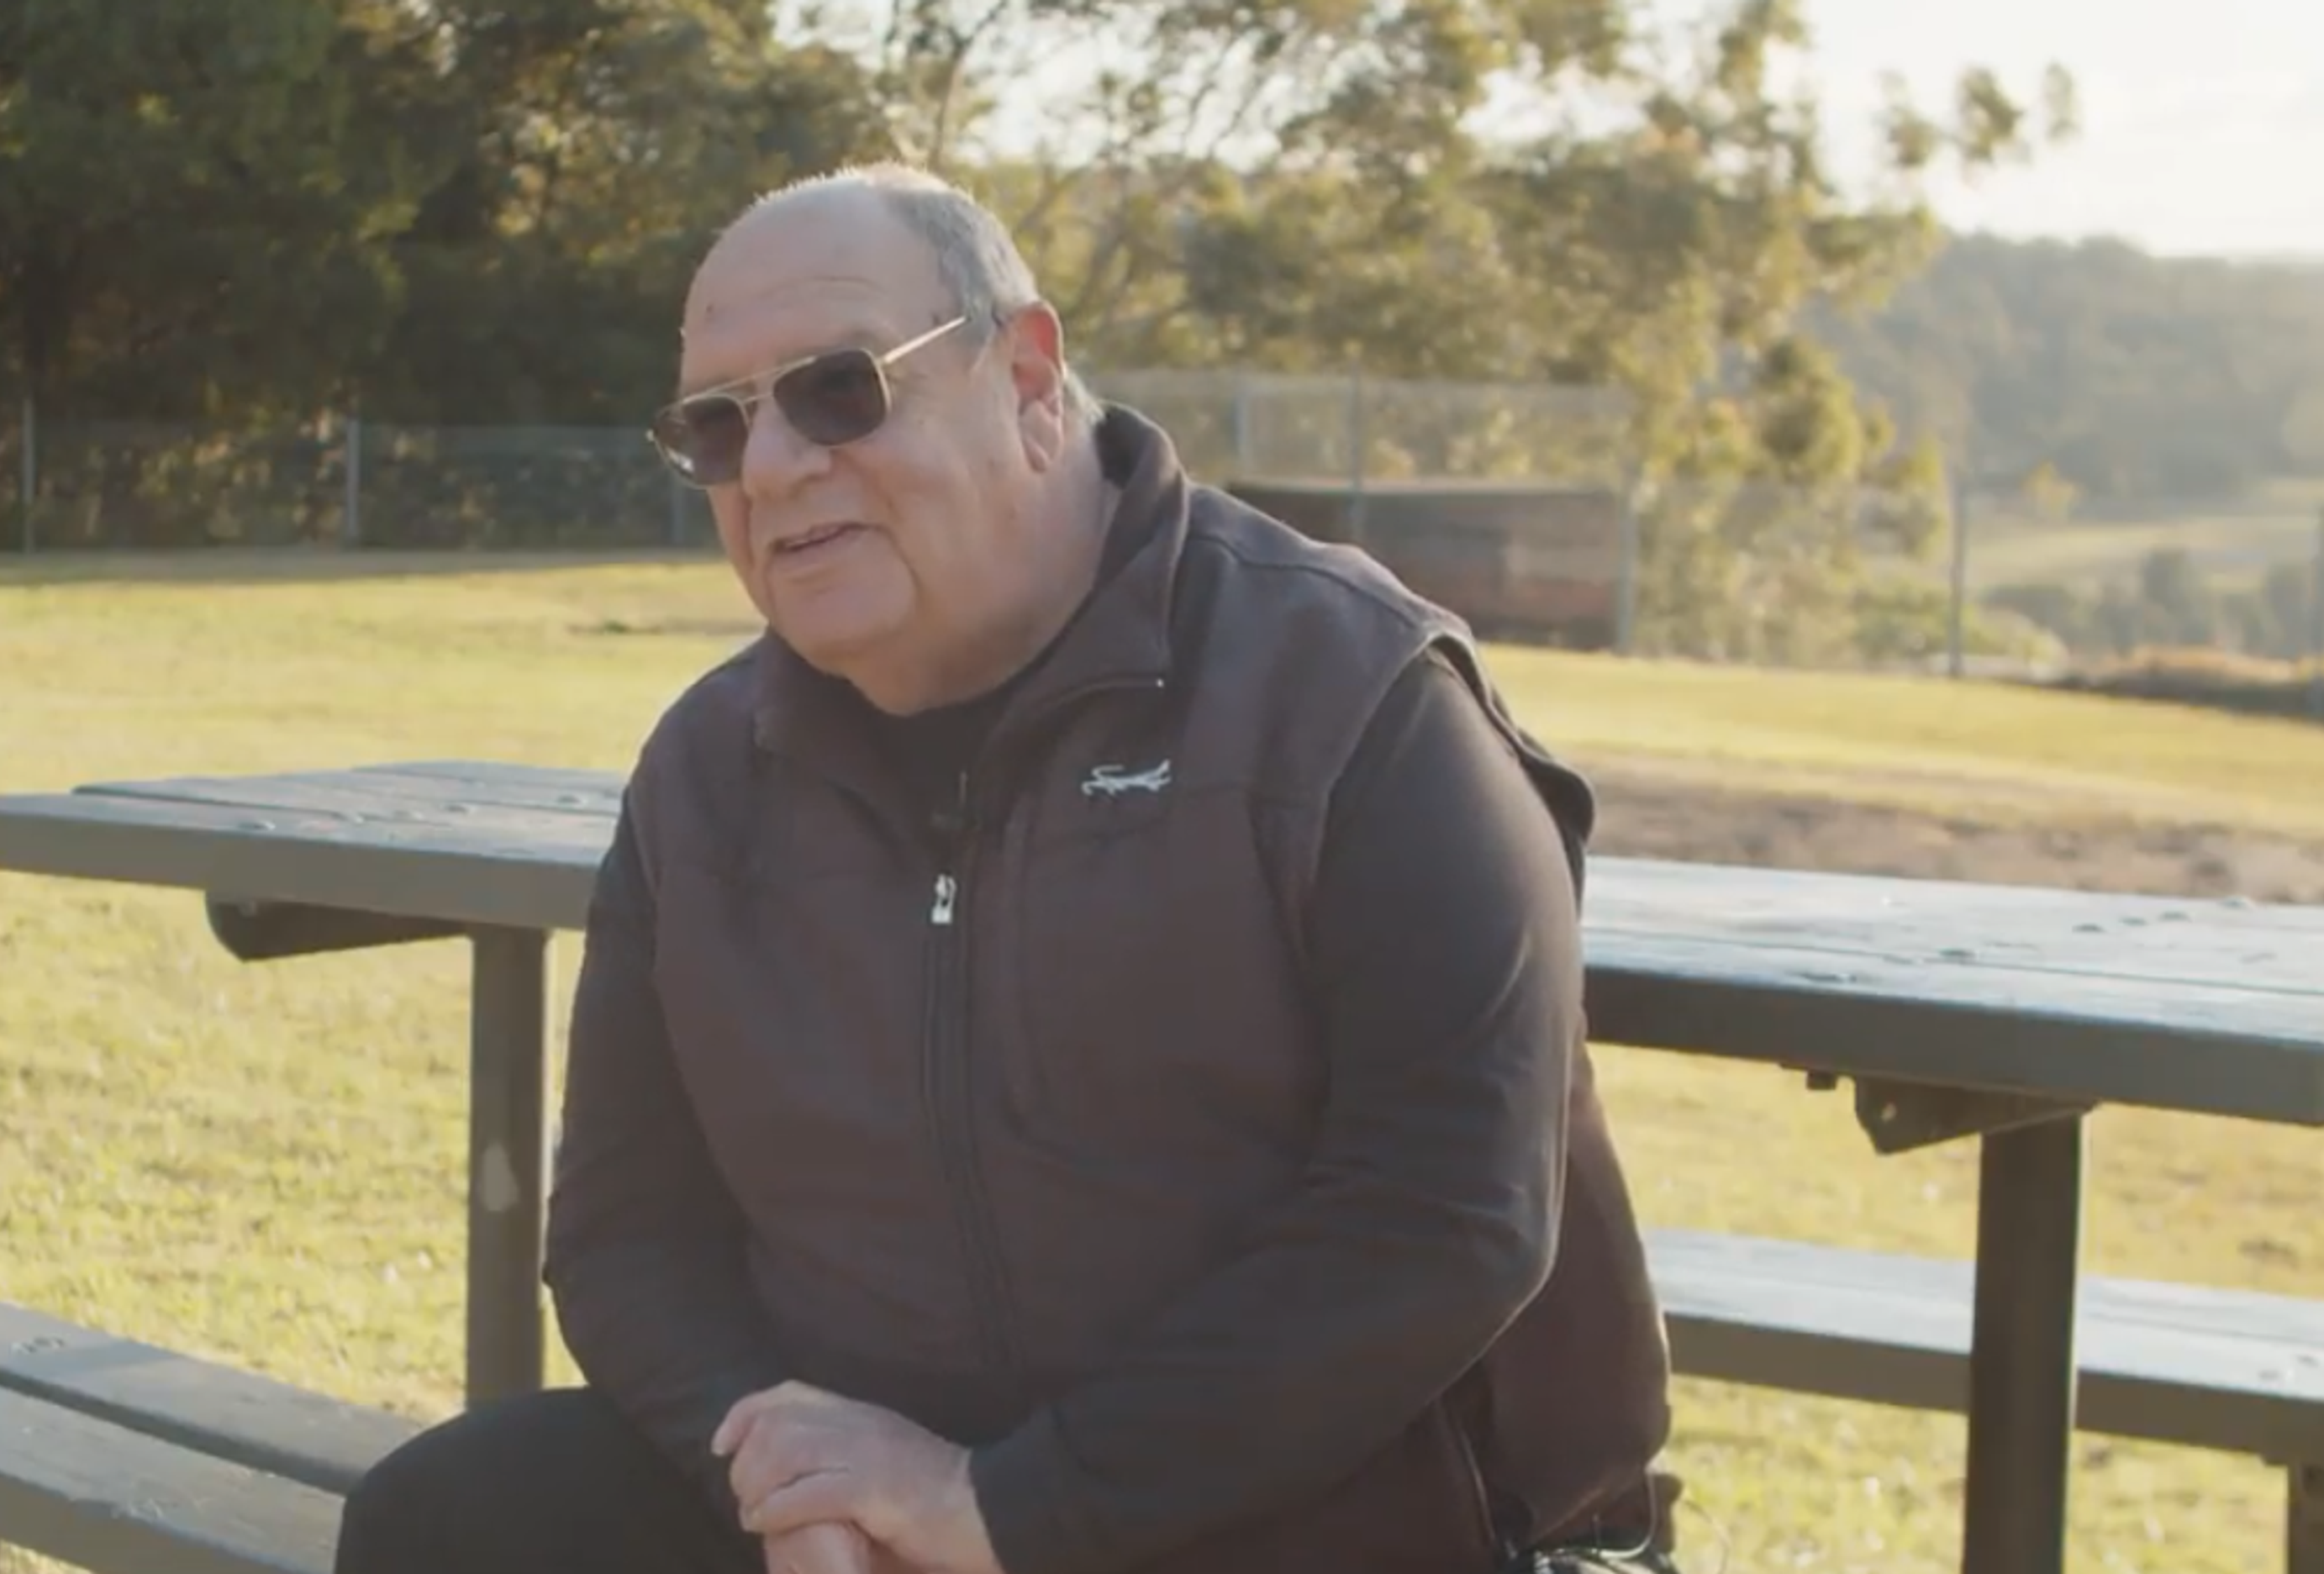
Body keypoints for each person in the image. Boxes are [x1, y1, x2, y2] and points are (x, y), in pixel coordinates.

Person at [331, 162, 1681, 1574]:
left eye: (837, 389)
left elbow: (1446, 1217)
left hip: (1338, 1518)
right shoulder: (705, 771)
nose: (773, 465)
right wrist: (794, 1482)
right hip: (891, 1508)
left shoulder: (1350, 694)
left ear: (1029, 379)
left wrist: (1016, 1509)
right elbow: (625, 1235)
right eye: (718, 426)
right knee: (450, 1521)